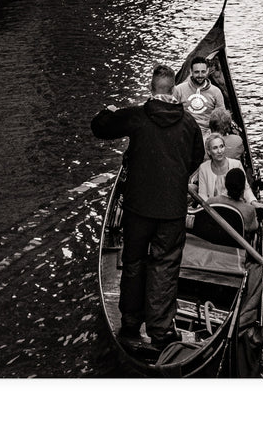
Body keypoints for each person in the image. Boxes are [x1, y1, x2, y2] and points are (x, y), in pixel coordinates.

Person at [91, 64, 205, 348]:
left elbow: (100, 127)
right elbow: (196, 159)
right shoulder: (189, 123)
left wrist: (108, 110)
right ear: (174, 90)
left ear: (152, 89)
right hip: (171, 211)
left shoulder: (137, 117)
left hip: (138, 209)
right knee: (164, 267)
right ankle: (161, 331)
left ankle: (130, 323)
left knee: (133, 263)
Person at [191, 132, 256, 203]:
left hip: (234, 207)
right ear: (209, 152)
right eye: (215, 148)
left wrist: (253, 202)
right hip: (213, 207)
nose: (219, 151)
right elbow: (202, 194)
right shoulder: (203, 167)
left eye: (221, 146)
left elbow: (246, 189)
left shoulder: (236, 164)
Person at [173, 56, 225, 135]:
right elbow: (171, 112)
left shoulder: (216, 92)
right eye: (196, 72)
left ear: (207, 71)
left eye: (203, 72)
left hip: (207, 133)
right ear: (191, 71)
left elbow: (221, 117)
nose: (200, 75)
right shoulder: (179, 89)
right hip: (185, 132)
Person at [207, 168, 259, 240]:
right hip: (235, 246)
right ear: (243, 187)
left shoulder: (211, 201)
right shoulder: (249, 209)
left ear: (225, 185)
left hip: (213, 241)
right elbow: (254, 227)